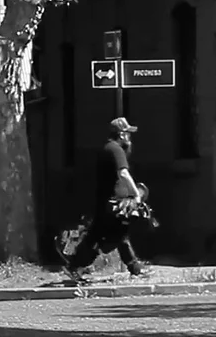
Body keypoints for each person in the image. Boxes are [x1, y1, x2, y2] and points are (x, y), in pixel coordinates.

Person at [63, 117, 150, 278]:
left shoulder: (108, 148)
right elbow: (123, 173)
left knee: (116, 234)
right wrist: (136, 194)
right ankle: (76, 265)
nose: (129, 137)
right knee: (107, 237)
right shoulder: (116, 150)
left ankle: (134, 267)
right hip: (111, 204)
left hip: (105, 202)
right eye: (128, 133)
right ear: (121, 134)